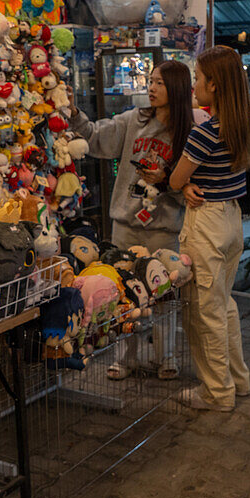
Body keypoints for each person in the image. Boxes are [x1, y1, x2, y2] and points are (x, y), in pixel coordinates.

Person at [68, 60, 194, 380]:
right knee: (123, 293)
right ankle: (125, 357)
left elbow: (189, 190)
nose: (151, 88)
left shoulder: (188, 134)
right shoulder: (132, 121)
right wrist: (73, 113)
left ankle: (166, 356)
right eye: (150, 82)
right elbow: (96, 137)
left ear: (177, 89)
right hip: (125, 225)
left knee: (163, 294)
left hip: (164, 229)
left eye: (160, 84)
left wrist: (165, 180)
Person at [169, 46, 250, 411]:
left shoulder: (204, 134)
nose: (194, 87)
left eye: (198, 79)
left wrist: (183, 185)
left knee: (206, 312)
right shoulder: (240, 126)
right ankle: (238, 380)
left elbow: (174, 179)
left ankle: (217, 392)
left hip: (206, 224)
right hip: (232, 220)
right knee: (224, 304)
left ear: (215, 85)